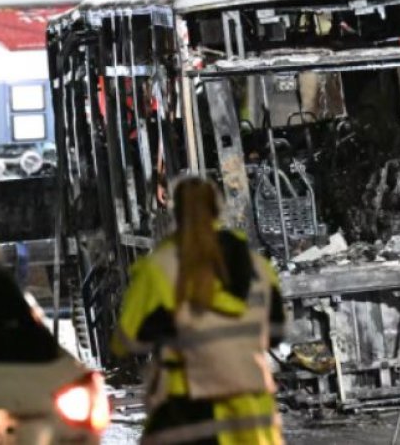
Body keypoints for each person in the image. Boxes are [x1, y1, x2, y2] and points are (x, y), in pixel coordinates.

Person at [112, 177, 285, 445]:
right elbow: (275, 334)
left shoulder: (159, 267)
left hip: (186, 412)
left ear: (175, 212)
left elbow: (125, 342)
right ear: (220, 208)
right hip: (252, 413)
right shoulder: (258, 267)